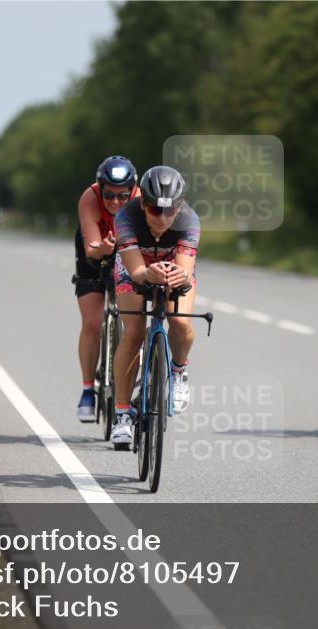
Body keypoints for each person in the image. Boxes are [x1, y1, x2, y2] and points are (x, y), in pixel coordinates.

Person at [109, 166, 200, 447]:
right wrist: (146, 275)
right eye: (154, 210)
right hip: (136, 265)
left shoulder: (189, 220)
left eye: (170, 210)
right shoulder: (126, 217)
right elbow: (135, 272)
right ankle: (122, 414)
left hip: (173, 265)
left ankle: (177, 370)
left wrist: (178, 276)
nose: (162, 218)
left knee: (181, 321)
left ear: (180, 206)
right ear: (143, 203)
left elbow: (185, 271)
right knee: (134, 330)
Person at [74, 156, 139, 423]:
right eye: (109, 195)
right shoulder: (89, 198)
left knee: (135, 322)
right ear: (100, 188)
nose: (115, 202)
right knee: (92, 321)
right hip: (95, 249)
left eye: (122, 196)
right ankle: (88, 389)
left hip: (130, 250)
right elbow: (91, 248)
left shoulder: (141, 199)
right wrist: (102, 248)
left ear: (132, 191)